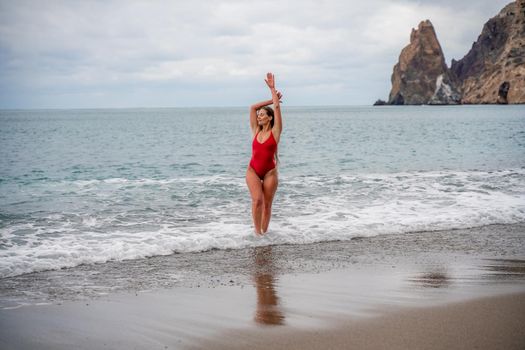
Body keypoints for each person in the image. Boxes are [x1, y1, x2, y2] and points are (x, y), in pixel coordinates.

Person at [246, 72, 283, 236]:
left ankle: (264, 233)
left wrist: (273, 89)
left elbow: (276, 108)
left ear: (269, 118)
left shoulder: (275, 132)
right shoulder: (255, 131)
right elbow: (252, 107)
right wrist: (270, 99)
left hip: (269, 173)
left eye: (262, 114)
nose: (259, 115)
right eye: (259, 114)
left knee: (267, 205)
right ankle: (257, 233)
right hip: (253, 170)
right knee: (257, 200)